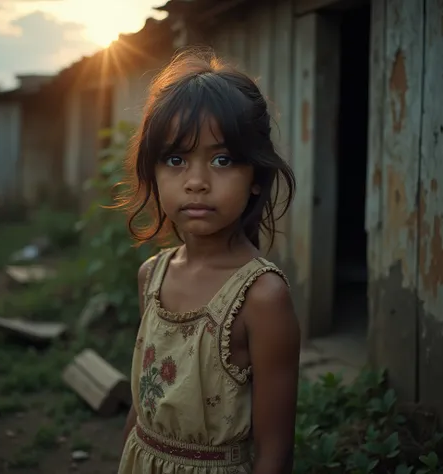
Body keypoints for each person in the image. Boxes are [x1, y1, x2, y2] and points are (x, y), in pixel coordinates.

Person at [118, 48, 300, 474]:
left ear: (256, 177)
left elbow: (275, 454)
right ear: (154, 171)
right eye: (176, 159)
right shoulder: (152, 276)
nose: (196, 182)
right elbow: (144, 406)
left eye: (222, 160)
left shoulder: (262, 297)